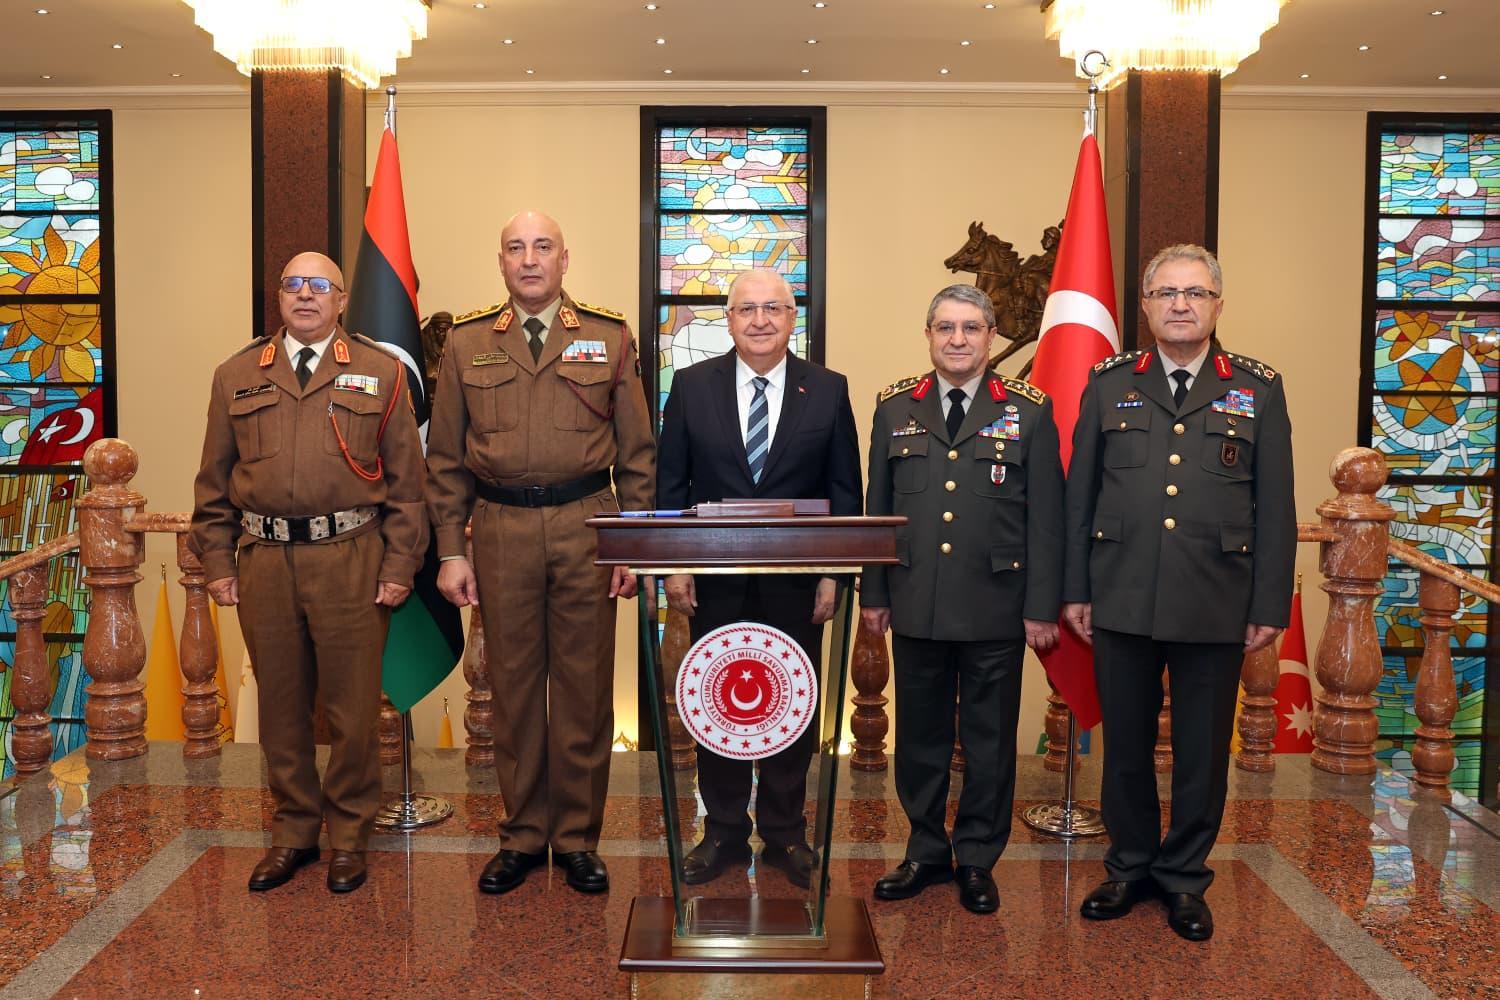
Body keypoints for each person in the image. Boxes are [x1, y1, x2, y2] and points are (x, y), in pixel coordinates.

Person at [1063, 244, 1295, 941]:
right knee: (1127, 747)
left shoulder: (1257, 386)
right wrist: (1075, 587)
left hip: (1215, 599)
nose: (1181, 305)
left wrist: (1268, 604)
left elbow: (1274, 505)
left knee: (1200, 752)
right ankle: (1130, 867)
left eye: (1196, 293)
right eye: (1167, 293)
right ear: (1145, 306)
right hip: (1122, 594)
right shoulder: (1108, 383)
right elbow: (1081, 498)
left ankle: (1185, 878)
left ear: (1219, 305)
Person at [426, 210, 655, 895]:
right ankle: (524, 834)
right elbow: (443, 461)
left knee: (584, 692)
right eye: (516, 248)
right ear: (500, 262)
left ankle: (579, 838)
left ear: (565, 260)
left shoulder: (609, 336)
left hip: (589, 524)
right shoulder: (467, 344)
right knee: (514, 689)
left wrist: (631, 547)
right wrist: (449, 551)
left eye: (542, 247)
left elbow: (639, 455)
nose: (529, 259)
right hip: (499, 529)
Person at [191, 251, 428, 894]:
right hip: (264, 563)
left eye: (318, 285)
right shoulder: (235, 375)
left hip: (352, 560)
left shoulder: (381, 373)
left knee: (353, 711)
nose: (304, 295)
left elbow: (410, 487)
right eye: (292, 284)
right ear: (279, 296)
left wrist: (400, 564)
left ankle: (350, 834)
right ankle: (294, 830)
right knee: (281, 709)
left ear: (342, 300)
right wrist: (217, 560)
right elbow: (212, 486)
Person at [861, 283, 1064, 915]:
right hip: (916, 599)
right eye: (945, 328)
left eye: (970, 328)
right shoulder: (896, 408)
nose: (957, 339)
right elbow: (879, 510)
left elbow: (1047, 519)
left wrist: (1041, 604)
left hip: (996, 604)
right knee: (919, 736)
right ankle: (925, 849)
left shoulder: (1028, 410)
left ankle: (976, 856)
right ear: (928, 336)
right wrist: (875, 591)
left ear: (991, 337)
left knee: (989, 739)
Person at [656, 268, 862, 889]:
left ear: (793, 316)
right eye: (747, 309)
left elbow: (845, 491)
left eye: (774, 307)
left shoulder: (827, 389)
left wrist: (832, 574)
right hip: (714, 582)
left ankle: (784, 834)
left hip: (797, 584)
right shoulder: (691, 387)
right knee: (716, 703)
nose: (760, 320)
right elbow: (671, 487)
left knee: (791, 706)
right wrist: (675, 565)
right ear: (729, 318)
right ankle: (719, 831)